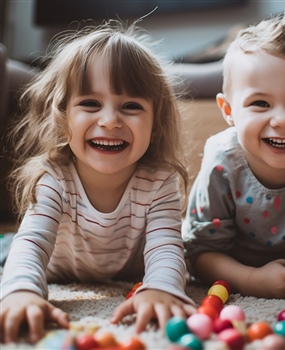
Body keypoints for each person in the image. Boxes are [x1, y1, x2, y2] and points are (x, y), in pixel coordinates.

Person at [0, 20, 196, 344]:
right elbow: (32, 244)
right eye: (90, 104)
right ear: (62, 120)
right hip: (58, 271)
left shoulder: (159, 182)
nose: (109, 120)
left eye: (131, 106)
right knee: (11, 251)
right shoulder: (54, 179)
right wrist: (20, 292)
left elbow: (166, 248)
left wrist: (162, 288)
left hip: (128, 274)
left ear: (156, 126)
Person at [182, 11, 285, 299]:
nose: (283, 119)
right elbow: (201, 252)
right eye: (261, 103)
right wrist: (252, 280)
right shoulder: (222, 160)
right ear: (229, 111)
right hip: (233, 265)